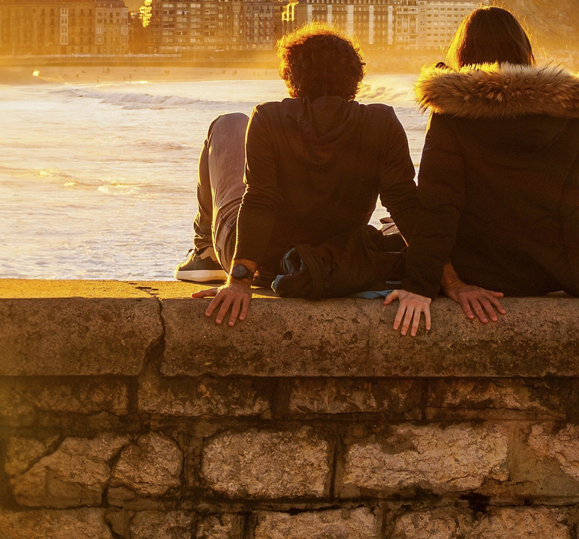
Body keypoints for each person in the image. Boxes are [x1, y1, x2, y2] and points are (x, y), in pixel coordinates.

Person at [186, 24, 445, 334]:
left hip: (265, 265)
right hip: (329, 259)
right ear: (355, 78)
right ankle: (206, 250)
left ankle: (204, 249)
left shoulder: (267, 117)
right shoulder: (382, 122)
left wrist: (240, 279)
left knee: (229, 123)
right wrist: (447, 279)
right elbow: (404, 204)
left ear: (291, 76)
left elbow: (260, 201)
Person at [414, 7, 579, 329]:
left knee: (395, 227)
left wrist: (423, 286)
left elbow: (438, 205)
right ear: (524, 51)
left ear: (463, 54)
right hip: (547, 275)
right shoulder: (573, 110)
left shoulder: (451, 111)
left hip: (477, 276)